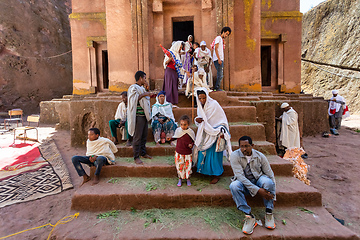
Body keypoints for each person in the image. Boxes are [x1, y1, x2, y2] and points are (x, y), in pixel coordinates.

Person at [229, 136, 276, 235]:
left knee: (268, 182)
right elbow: (240, 177)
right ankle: (249, 216)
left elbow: (270, 174)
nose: (244, 149)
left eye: (246, 146)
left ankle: (269, 212)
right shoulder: (234, 155)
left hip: (258, 180)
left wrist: (273, 195)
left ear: (252, 145)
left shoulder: (260, 156)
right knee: (234, 186)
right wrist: (258, 190)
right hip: (243, 183)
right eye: (242, 146)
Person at [194, 87, 232, 184]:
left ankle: (217, 174)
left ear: (207, 96)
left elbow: (222, 120)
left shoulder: (214, 105)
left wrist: (220, 131)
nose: (202, 100)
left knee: (214, 155)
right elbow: (200, 119)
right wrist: (196, 120)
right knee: (203, 152)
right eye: (200, 98)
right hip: (205, 133)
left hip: (215, 133)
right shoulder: (199, 106)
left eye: (204, 98)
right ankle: (204, 171)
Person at [127, 71, 153, 165]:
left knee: (144, 136)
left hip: (144, 116)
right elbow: (133, 99)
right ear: (140, 78)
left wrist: (146, 90)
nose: (145, 80)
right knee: (137, 137)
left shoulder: (141, 88)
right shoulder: (133, 88)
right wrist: (144, 94)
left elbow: (146, 101)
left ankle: (143, 153)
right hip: (138, 117)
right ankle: (136, 157)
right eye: (144, 78)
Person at [171, 115, 195, 187]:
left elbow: (193, 141)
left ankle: (188, 178)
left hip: (187, 153)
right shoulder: (178, 131)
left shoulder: (190, 132)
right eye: (181, 124)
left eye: (185, 125)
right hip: (179, 152)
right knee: (179, 166)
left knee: (188, 166)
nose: (183, 126)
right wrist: (170, 139)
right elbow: (175, 137)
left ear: (188, 124)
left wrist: (191, 145)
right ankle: (180, 178)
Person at [163, 41, 185, 107]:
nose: (180, 49)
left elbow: (179, 65)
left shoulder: (177, 54)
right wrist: (171, 58)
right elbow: (165, 63)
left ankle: (173, 102)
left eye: (181, 48)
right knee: (169, 86)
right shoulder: (170, 52)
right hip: (169, 71)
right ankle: (168, 101)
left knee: (174, 86)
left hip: (174, 72)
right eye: (180, 47)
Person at [212, 26, 231, 91]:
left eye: (227, 35)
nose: (226, 35)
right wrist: (219, 59)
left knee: (220, 74)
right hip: (218, 59)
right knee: (220, 75)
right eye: (226, 34)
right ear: (223, 32)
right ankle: (216, 88)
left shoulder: (221, 40)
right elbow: (216, 48)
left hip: (219, 59)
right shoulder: (218, 38)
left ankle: (217, 88)